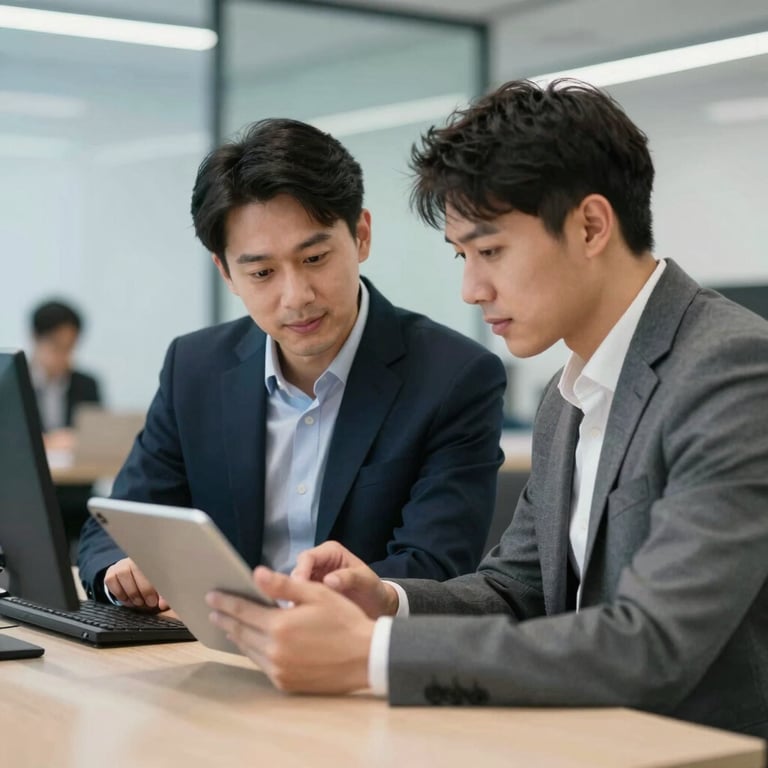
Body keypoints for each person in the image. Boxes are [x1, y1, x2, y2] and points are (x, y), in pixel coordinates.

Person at [205, 81, 768, 738]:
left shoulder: (732, 372)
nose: (472, 289)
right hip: (580, 742)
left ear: (589, 225)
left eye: (490, 250)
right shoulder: (573, 395)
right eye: (462, 256)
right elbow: (514, 591)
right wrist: (384, 602)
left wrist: (370, 655)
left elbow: (651, 645)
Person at [77, 118, 506, 609]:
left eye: (315, 258)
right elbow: (116, 523)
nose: (296, 297)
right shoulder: (194, 367)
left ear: (361, 236)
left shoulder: (454, 376)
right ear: (227, 272)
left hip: (353, 659)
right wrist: (121, 573)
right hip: (212, 653)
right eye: (261, 272)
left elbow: (433, 567)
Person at [30, 299, 102, 540]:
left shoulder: (86, 384)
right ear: (36, 339)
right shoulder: (12, 382)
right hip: (31, 491)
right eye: (56, 346)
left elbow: (96, 438)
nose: (64, 355)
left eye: (70, 347)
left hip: (75, 493)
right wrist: (50, 441)